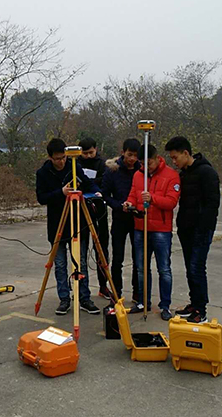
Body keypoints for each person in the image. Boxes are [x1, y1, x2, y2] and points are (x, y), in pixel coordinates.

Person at [36, 138, 101, 315]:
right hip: (57, 224)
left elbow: (87, 183)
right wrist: (61, 193)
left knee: (80, 262)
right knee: (60, 264)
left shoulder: (74, 167)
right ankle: (64, 298)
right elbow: (41, 197)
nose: (61, 161)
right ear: (50, 157)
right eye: (57, 158)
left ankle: (84, 298)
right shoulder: (43, 173)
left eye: (64, 157)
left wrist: (96, 192)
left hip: (77, 223)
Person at [165, 136, 220, 324]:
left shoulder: (207, 173)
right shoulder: (184, 174)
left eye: (175, 157)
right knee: (190, 268)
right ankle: (194, 303)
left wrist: (203, 228)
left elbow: (213, 204)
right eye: (171, 158)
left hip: (201, 230)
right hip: (186, 229)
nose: (174, 162)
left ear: (186, 153)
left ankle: (201, 309)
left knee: (197, 268)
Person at [124, 144, 180, 320]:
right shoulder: (138, 175)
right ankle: (142, 301)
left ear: (157, 158)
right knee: (141, 268)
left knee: (164, 269)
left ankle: (165, 305)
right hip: (141, 227)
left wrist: (153, 198)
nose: (146, 166)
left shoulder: (171, 176)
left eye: (149, 162)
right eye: (142, 163)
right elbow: (133, 194)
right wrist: (129, 204)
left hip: (161, 231)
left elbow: (171, 202)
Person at [101, 138, 142, 304]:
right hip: (119, 219)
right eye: (129, 154)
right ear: (123, 152)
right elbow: (104, 194)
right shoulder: (112, 171)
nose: (132, 159)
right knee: (117, 258)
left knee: (138, 258)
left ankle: (137, 292)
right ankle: (116, 292)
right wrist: (119, 206)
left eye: (135, 156)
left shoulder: (142, 171)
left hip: (137, 219)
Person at [78, 137, 111, 299]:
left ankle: (103, 285)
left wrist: (88, 182)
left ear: (96, 149)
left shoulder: (102, 164)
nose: (89, 156)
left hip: (99, 210)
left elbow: (104, 182)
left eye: (91, 152)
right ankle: (81, 289)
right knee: (81, 252)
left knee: (102, 249)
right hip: (81, 211)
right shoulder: (76, 164)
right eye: (85, 153)